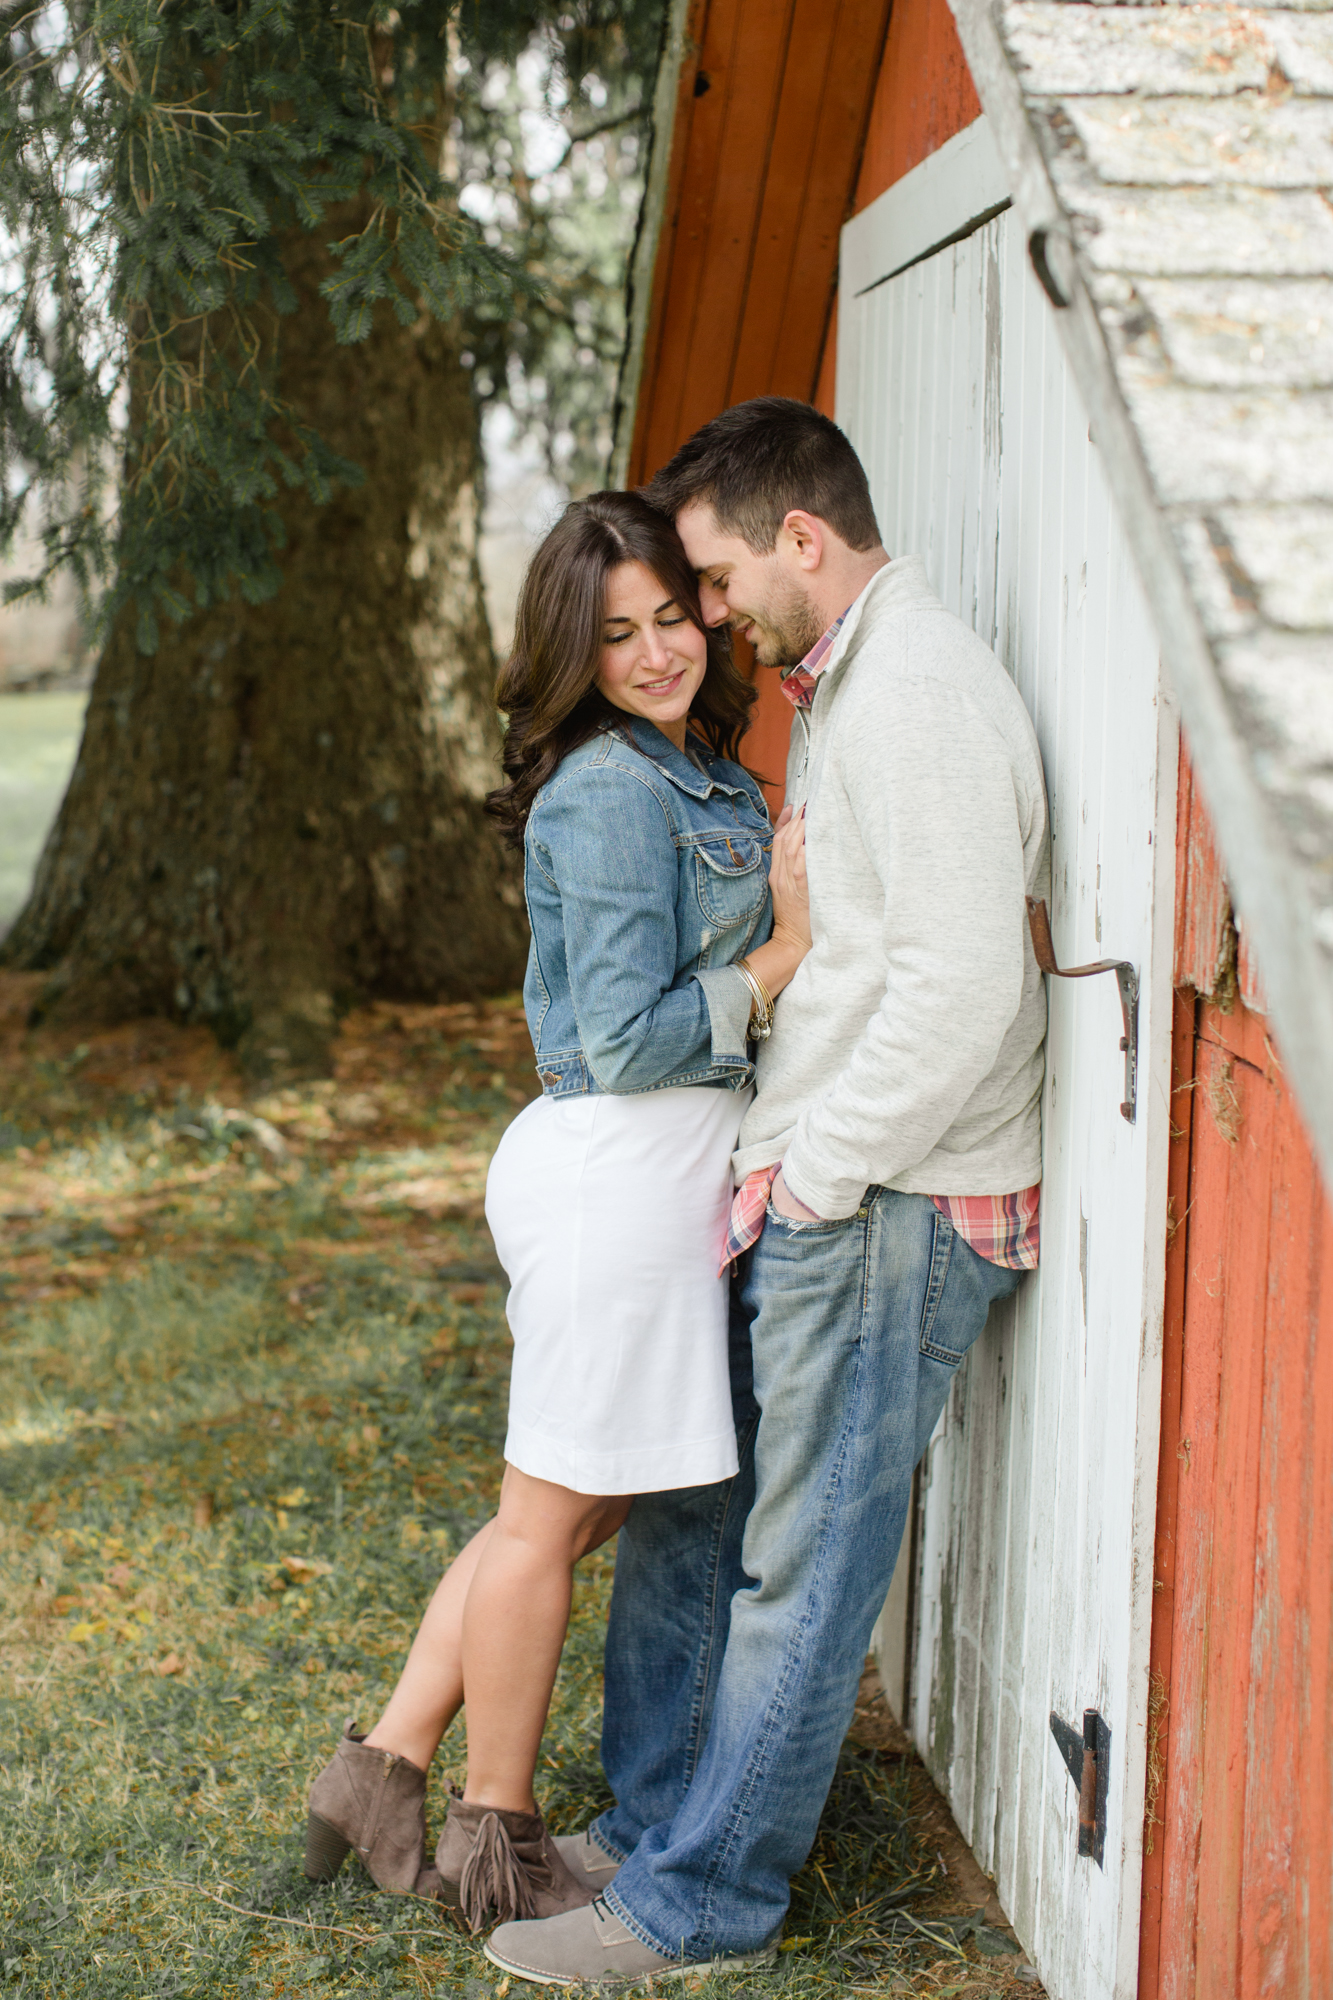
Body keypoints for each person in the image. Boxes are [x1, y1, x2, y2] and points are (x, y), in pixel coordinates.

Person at [485, 398, 1049, 1984]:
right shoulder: (853, 690)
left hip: (884, 1202)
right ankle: (657, 1819)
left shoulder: (920, 692)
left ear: (800, 539)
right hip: (806, 1184)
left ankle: (700, 1904)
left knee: (797, 1562)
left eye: (716, 583)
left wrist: (817, 1178)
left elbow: (957, 990)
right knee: (691, 1518)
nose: (709, 621)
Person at [302, 490, 812, 1931]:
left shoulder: (697, 767)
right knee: (547, 1517)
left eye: (670, 618)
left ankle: (387, 1765)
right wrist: (780, 959)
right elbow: (634, 1036)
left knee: (573, 1511)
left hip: (652, 1179)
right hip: (614, 1173)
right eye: (615, 636)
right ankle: (496, 1828)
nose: (656, 653)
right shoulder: (605, 790)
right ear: (567, 651)